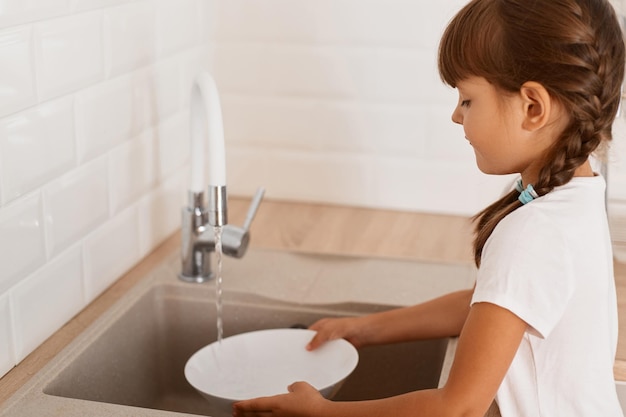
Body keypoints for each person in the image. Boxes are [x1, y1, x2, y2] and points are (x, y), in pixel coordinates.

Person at [232, 0, 626, 415]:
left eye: (467, 99)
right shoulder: (576, 198)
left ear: (532, 107)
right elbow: (483, 306)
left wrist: (320, 411)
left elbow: (456, 408)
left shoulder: (532, 232)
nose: (456, 116)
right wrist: (362, 330)